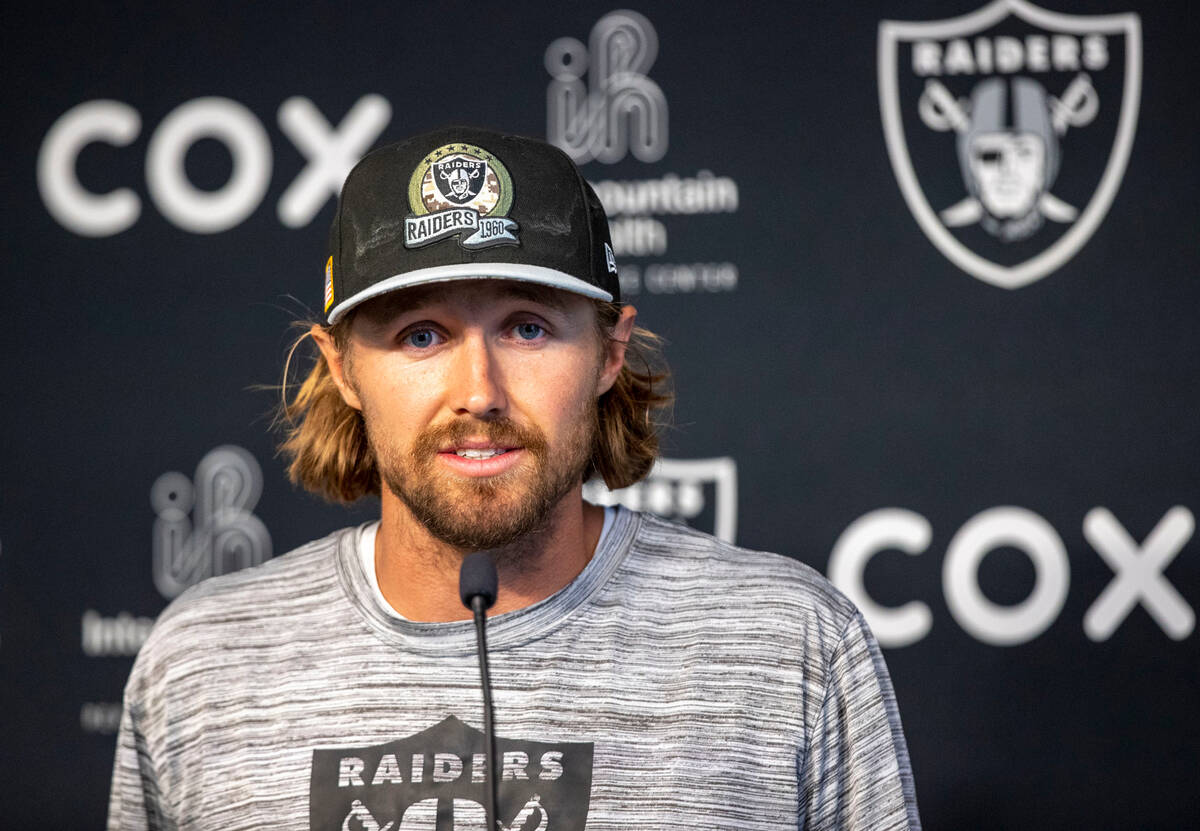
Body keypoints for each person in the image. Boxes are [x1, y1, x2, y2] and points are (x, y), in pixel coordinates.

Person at [108, 126, 922, 830]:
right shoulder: (203, 662)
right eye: (421, 336)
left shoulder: (788, 646)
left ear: (609, 351)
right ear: (343, 368)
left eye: (527, 328)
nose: (479, 393)